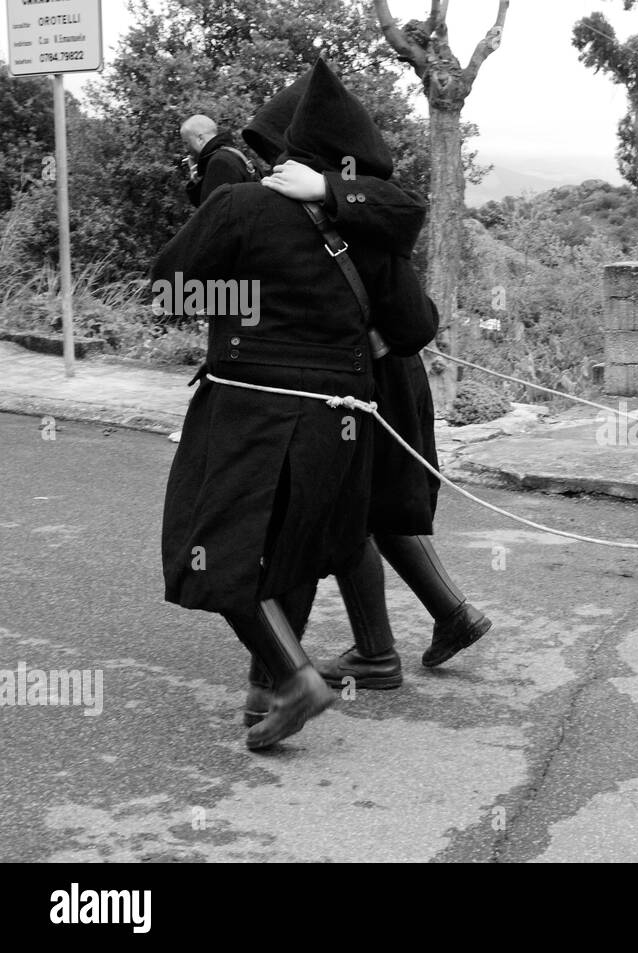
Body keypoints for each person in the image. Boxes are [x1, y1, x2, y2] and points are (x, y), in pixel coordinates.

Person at [153, 60, 437, 750]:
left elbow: (169, 290)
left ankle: (294, 678)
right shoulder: (371, 229)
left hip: (251, 406)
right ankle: (263, 690)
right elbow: (413, 330)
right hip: (341, 419)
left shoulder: (241, 206)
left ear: (287, 148)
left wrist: (249, 307)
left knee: (211, 545)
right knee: (296, 550)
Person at [235, 74, 493, 723]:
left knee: (354, 512)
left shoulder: (361, 209)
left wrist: (358, 335)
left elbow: (414, 315)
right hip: (358, 387)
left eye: (283, 150)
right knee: (366, 511)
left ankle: (370, 653)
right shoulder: (325, 214)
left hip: (378, 386)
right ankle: (432, 623)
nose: (276, 163)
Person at [179, 115, 256, 207]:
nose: (185, 149)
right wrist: (198, 182)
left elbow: (214, 213)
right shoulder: (233, 154)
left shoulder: (219, 163)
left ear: (200, 139)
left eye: (186, 143)